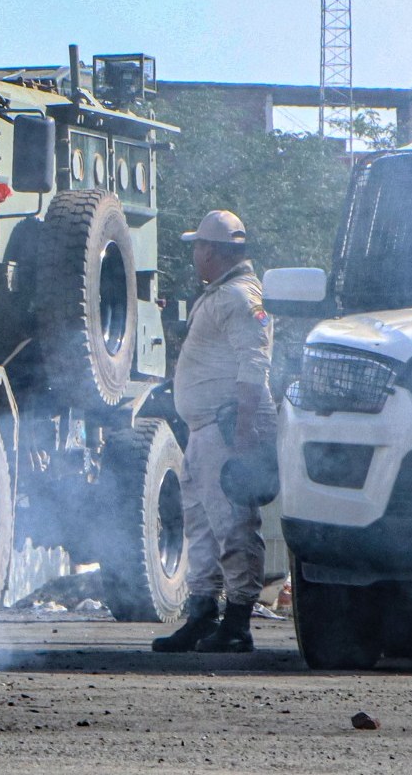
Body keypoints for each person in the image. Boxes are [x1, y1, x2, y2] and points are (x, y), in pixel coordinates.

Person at [153, 210, 274, 654]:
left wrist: (243, 433)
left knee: (233, 525)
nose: (195, 255)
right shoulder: (222, 294)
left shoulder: (241, 297)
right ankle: (202, 614)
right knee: (202, 527)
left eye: (199, 246)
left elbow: (255, 365)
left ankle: (238, 622)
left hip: (226, 428)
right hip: (207, 429)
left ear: (213, 250)